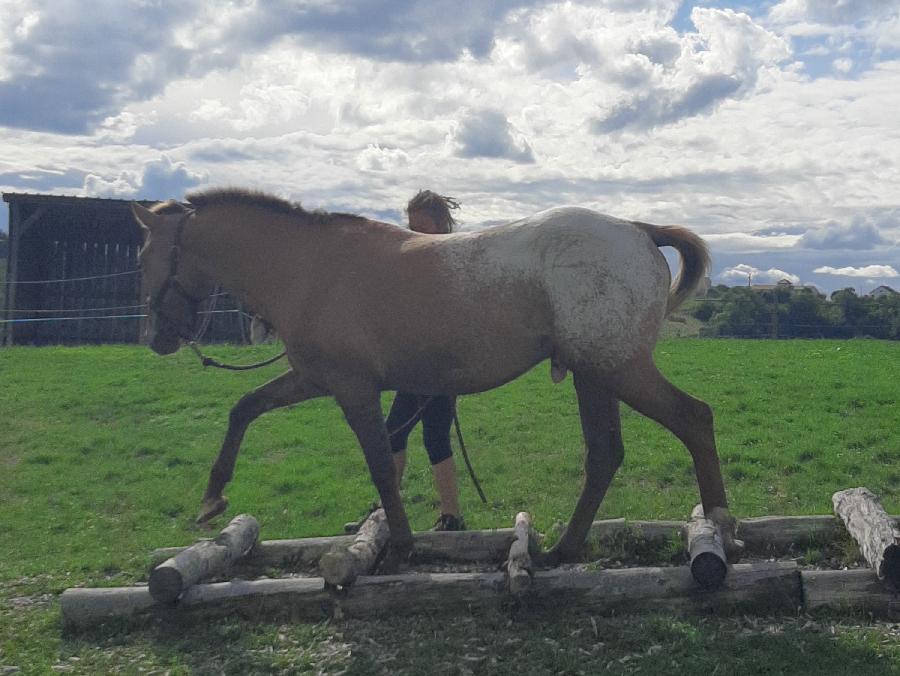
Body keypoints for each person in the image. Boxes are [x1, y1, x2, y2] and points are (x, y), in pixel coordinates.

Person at [385, 190, 465, 532]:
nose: (414, 233)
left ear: (440, 224)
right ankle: (388, 511)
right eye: (411, 226)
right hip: (413, 367)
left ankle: (451, 517)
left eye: (421, 227)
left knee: (434, 437)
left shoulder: (449, 260)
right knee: (392, 433)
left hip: (438, 367)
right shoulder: (414, 263)